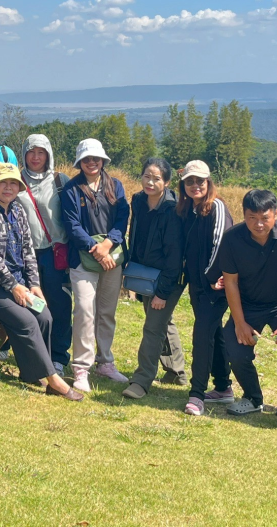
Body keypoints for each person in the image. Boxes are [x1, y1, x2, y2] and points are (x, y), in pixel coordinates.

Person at [0, 163, 84, 401]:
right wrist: (14, 287)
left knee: (44, 316)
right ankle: (53, 379)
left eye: (13, 183)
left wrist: (34, 284)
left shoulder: (18, 210)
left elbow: (28, 252)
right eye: (3, 182)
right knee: (27, 322)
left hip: (21, 284)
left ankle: (30, 373)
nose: (8, 187)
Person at [221, 189, 277, 440]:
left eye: (265, 217)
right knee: (234, 345)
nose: (259, 224)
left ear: (275, 215)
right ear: (244, 216)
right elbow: (230, 283)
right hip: (248, 304)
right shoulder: (232, 238)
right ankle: (252, 398)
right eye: (252, 218)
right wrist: (239, 323)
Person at [60, 138, 130, 393]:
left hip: (112, 256)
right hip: (83, 259)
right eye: (87, 159)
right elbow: (72, 226)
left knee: (107, 311)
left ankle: (105, 362)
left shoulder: (115, 186)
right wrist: (97, 250)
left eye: (96, 158)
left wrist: (109, 243)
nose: (92, 163)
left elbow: (123, 217)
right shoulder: (71, 189)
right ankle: (81, 368)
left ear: (103, 160)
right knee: (85, 312)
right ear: (80, 162)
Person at [123, 157, 187, 400]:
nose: (150, 182)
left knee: (152, 327)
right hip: (146, 274)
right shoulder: (138, 201)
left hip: (170, 277)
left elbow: (175, 258)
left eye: (157, 178)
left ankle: (141, 381)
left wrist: (161, 292)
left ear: (167, 182)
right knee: (161, 321)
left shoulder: (173, 211)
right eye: (146, 176)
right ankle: (176, 371)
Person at [177, 160, 235, 416]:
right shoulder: (188, 209)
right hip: (197, 286)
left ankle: (196, 394)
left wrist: (212, 277)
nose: (195, 186)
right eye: (190, 181)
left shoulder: (217, 207)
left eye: (200, 181)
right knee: (214, 333)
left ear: (208, 182)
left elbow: (221, 243)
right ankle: (223, 387)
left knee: (202, 336)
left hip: (216, 286)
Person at [15, 133, 72, 375]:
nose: (36, 157)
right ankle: (34, 352)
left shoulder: (60, 181)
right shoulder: (15, 181)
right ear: (24, 154)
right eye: (31, 152)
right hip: (24, 254)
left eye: (41, 152)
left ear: (48, 154)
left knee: (59, 304)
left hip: (55, 253)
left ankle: (58, 356)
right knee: (29, 304)